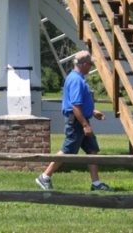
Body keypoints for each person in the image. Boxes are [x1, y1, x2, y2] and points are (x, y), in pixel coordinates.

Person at [35, 51, 114, 192]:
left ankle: (96, 183)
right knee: (68, 150)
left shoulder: (77, 77)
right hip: (77, 121)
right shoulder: (76, 80)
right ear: (84, 64)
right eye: (90, 64)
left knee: (92, 150)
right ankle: (45, 176)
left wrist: (92, 111)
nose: (91, 67)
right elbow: (75, 106)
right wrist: (85, 125)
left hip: (81, 118)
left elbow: (79, 104)